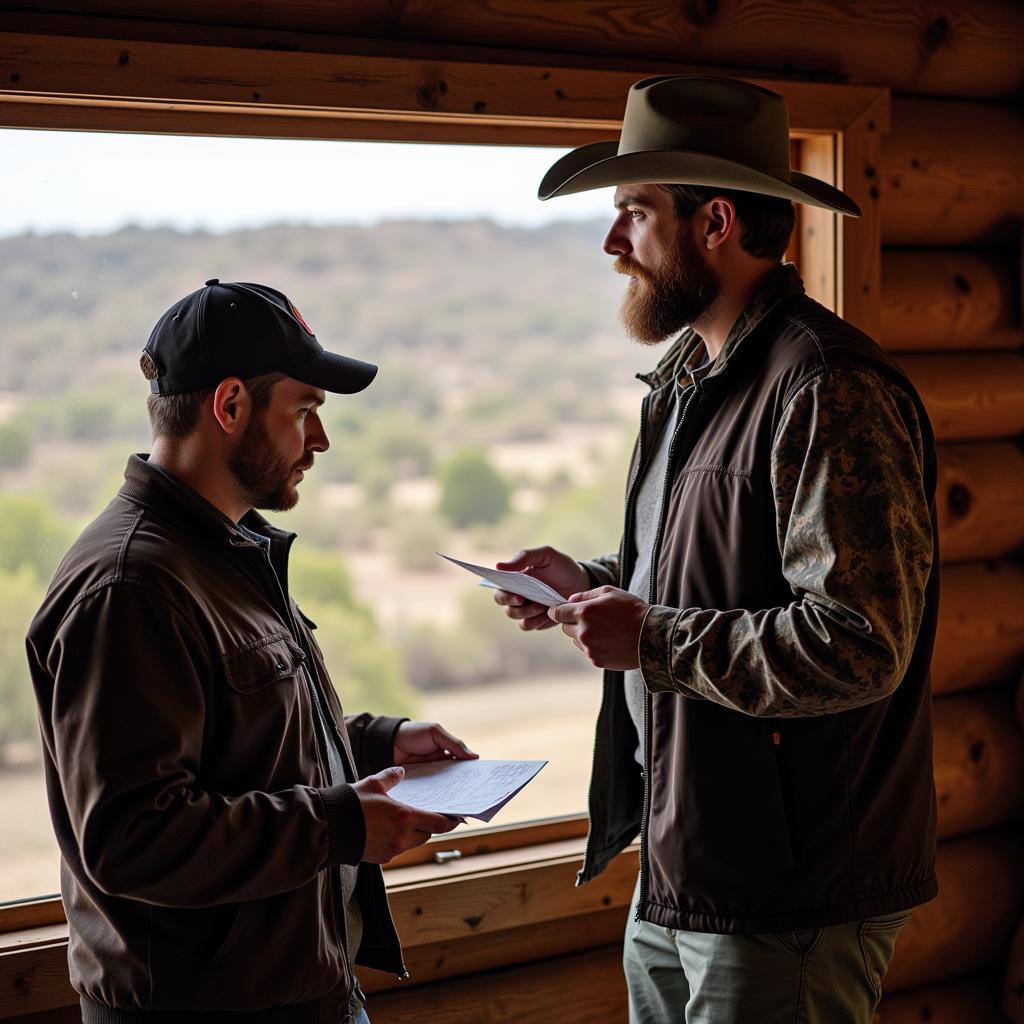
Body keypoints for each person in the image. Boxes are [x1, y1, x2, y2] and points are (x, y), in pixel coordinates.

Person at [492, 76, 939, 1023]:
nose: (613, 246)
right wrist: (594, 587)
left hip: (788, 892)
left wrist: (648, 639)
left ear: (716, 223)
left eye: (632, 214)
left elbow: (858, 642)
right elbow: (716, 573)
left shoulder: (827, 387)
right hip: (685, 860)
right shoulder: (691, 379)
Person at [26, 279, 476, 1024]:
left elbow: (238, 742)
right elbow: (133, 837)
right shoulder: (130, 585)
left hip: (301, 994)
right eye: (304, 411)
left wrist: (372, 744)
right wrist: (342, 822)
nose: (321, 440)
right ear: (229, 406)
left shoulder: (225, 551)